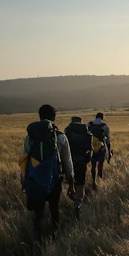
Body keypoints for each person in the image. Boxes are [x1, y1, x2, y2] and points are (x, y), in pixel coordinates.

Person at [22, 104, 74, 243]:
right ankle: (54, 238)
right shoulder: (60, 137)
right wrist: (71, 181)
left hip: (35, 180)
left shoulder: (30, 138)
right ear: (54, 118)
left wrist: (24, 182)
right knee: (54, 209)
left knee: (38, 213)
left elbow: (25, 161)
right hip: (54, 180)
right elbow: (67, 161)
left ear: (39, 117)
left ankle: (36, 241)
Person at [64, 116, 93, 217]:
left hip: (69, 162)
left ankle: (73, 197)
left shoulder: (67, 131)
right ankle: (78, 203)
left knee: (71, 183)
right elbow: (90, 149)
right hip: (81, 162)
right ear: (81, 121)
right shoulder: (86, 131)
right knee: (81, 184)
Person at [88, 112, 111, 189]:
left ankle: (93, 181)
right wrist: (109, 150)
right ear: (102, 118)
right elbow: (108, 139)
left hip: (92, 148)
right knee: (100, 166)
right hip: (101, 148)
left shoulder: (89, 125)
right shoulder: (105, 126)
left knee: (93, 166)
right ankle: (100, 181)